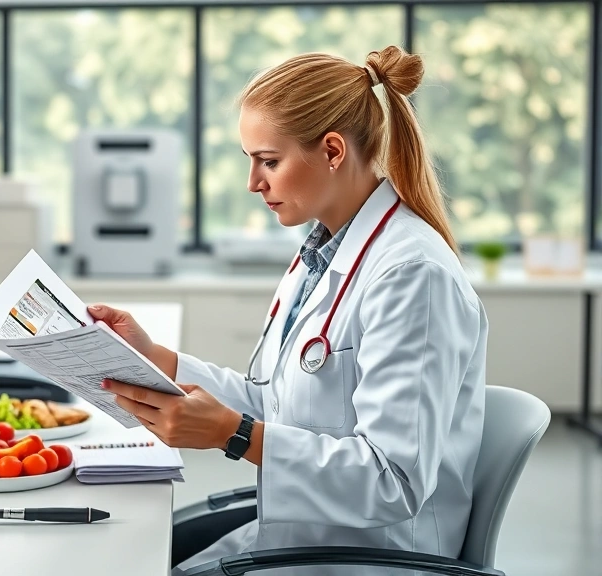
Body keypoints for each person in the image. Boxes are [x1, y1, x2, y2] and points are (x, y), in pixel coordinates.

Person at [89, 45, 488, 575]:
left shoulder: (413, 275)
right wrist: (157, 359)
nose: (254, 183)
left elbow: (392, 483)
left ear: (332, 150)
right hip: (306, 530)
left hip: (366, 557)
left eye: (268, 161)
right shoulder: (322, 255)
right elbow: (278, 403)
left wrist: (234, 434)